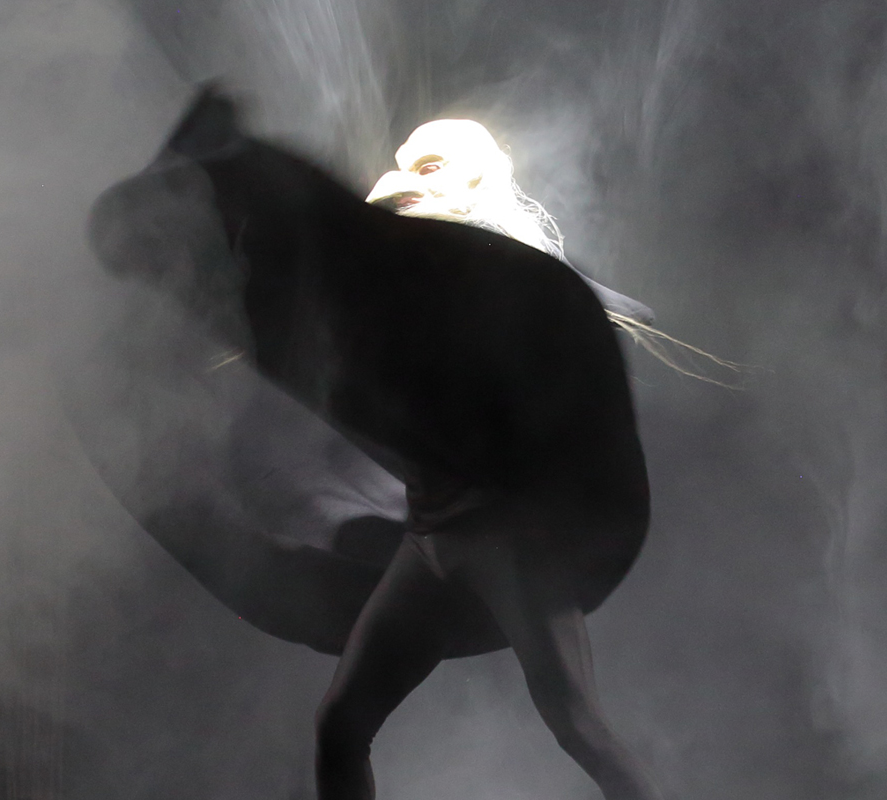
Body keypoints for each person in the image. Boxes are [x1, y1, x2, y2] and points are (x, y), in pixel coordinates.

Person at [88, 86, 664, 800]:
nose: (398, 176)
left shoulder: (518, 299)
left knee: (577, 727)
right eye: (401, 163)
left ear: (480, 186)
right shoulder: (380, 302)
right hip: (432, 537)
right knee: (341, 726)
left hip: (510, 540)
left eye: (430, 166)